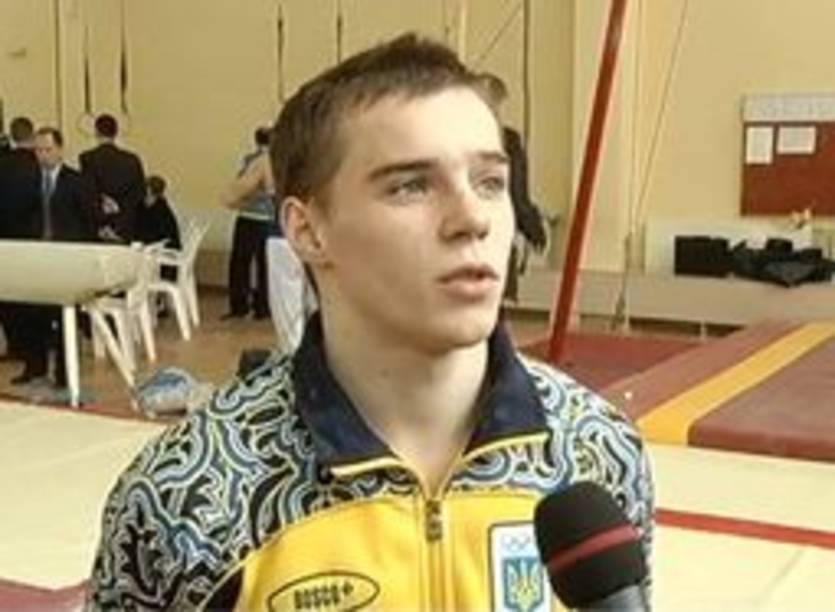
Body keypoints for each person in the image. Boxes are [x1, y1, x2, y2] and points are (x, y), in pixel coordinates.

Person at [86, 34, 653, 610]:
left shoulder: (595, 450)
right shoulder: (188, 493)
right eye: (411, 186)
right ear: (307, 230)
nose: (472, 218)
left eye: (490, 182)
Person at [13, 127, 98, 386]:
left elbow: (89, 221)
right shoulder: (27, 181)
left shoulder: (78, 181)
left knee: (63, 317)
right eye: (38, 150)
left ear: (60, 150)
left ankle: (64, 373)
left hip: (67, 259)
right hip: (37, 256)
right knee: (31, 315)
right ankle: (35, 366)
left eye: (48, 149)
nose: (43, 155)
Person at [478, 73, 548, 302]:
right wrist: (532, 226)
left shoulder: (449, 140)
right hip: (493, 240)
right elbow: (517, 194)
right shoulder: (508, 142)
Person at [219, 126, 276, 320]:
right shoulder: (279, 161)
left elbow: (239, 186)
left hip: (247, 216)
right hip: (269, 219)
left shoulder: (251, 160)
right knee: (265, 264)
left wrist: (243, 197)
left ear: (256, 141)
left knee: (240, 263)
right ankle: (263, 308)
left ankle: (239, 307)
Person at [0, 116, 41, 360]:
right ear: (32, 135)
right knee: (37, 294)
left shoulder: (3, 163)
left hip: (6, 238)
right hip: (35, 237)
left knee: (8, 295)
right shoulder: (39, 164)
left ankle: (16, 344)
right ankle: (41, 344)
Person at [79, 113, 146, 243]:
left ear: (96, 132)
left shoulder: (87, 158)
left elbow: (89, 194)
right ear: (116, 132)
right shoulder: (132, 160)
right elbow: (139, 194)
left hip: (98, 229)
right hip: (125, 227)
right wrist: (119, 220)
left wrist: (103, 224)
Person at [136, 174, 181, 282]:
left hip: (165, 249)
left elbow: (160, 235)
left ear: (149, 191)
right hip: (157, 245)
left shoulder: (160, 209)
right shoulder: (149, 205)